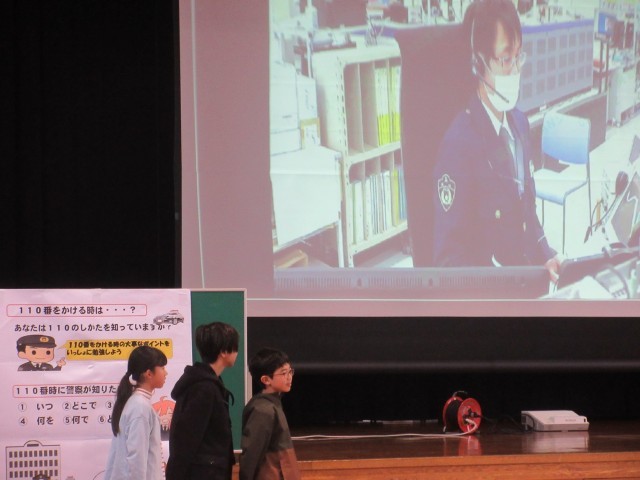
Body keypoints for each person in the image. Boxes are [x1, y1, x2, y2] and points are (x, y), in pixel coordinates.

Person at [432, 0, 562, 281]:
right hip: (492, 293)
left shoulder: (520, 124)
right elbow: (449, 261)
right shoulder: (458, 146)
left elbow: (527, 214)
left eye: (518, 57)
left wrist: (546, 256)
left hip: (526, 281)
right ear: (478, 63)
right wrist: (506, 284)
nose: (515, 71)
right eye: (505, 59)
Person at [166, 322, 239, 480]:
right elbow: (186, 439)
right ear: (224, 351)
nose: (237, 353)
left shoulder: (209, 384)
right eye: (235, 347)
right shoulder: (203, 388)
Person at [104, 345, 168, 480]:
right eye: (162, 368)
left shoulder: (137, 403)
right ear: (149, 373)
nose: (166, 372)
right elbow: (136, 458)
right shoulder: (140, 407)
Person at [239, 347, 301, 480]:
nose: (289, 377)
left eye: (290, 371)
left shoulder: (272, 404)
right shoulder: (263, 410)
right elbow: (252, 453)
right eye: (283, 373)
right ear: (266, 380)